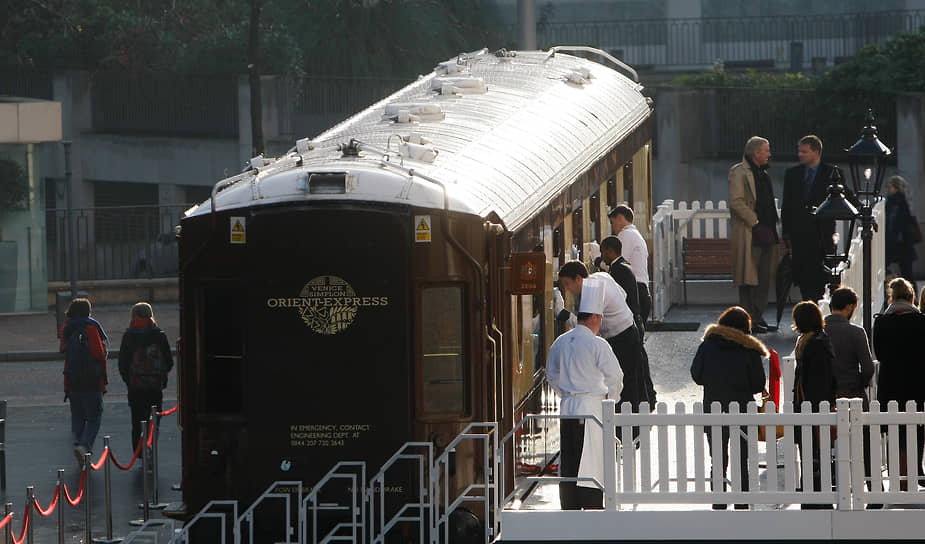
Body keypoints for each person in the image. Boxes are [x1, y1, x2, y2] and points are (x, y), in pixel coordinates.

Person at [546, 282, 623, 510]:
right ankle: (591, 505)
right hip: (591, 408)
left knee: (569, 459)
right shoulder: (597, 344)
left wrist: (567, 395)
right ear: (597, 317)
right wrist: (611, 401)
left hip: (568, 407)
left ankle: (569, 504)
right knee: (591, 460)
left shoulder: (560, 342)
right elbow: (615, 376)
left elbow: (551, 375)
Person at [690, 306, 767, 510]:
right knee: (742, 458)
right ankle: (741, 501)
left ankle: (719, 499)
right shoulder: (749, 348)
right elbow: (759, 384)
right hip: (743, 409)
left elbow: (696, 375)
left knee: (717, 456)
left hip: (714, 407)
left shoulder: (708, 345)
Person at [556, 261, 656, 413]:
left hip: (621, 339)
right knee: (634, 383)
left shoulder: (591, 290)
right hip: (630, 330)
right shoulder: (601, 276)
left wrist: (563, 314)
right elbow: (623, 293)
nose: (568, 289)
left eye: (567, 284)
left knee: (626, 387)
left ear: (578, 278)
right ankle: (635, 426)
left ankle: (625, 427)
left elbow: (587, 327)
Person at [824, 287, 879, 499]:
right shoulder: (856, 332)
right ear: (849, 307)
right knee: (865, 443)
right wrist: (860, 384)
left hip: (827, 398)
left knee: (828, 445)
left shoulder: (819, 331)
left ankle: (832, 489)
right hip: (853, 393)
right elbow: (867, 368)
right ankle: (872, 490)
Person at [873, 278, 925, 489]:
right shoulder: (921, 322)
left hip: (890, 381)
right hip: (916, 381)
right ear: (912, 297)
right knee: (916, 426)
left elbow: (879, 353)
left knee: (894, 427)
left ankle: (898, 474)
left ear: (891, 298)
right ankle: (915, 471)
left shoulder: (882, 322)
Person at [781, 135, 842, 301]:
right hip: (800, 236)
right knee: (803, 278)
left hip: (822, 235)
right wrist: (786, 233)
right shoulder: (792, 174)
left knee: (821, 276)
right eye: (799, 151)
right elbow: (787, 205)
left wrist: (861, 208)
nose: (800, 155)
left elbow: (843, 196)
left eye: (804, 151)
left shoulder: (831, 173)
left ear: (816, 152)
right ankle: (807, 309)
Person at [728, 136, 779, 334]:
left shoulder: (763, 173)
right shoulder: (739, 173)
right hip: (751, 232)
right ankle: (747, 318)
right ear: (756, 153)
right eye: (766, 150)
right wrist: (755, 222)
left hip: (766, 232)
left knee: (764, 276)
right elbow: (737, 202)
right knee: (749, 278)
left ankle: (757, 316)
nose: (769, 154)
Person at [791, 300, 837, 508]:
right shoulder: (812, 340)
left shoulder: (814, 344)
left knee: (814, 454)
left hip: (814, 408)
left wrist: (812, 406)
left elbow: (819, 380)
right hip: (809, 407)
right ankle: (812, 493)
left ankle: (816, 496)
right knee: (812, 454)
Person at [58, 297, 109, 466]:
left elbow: (64, 351)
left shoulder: (67, 328)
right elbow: (98, 354)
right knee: (94, 416)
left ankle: (79, 447)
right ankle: (84, 446)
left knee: (78, 417)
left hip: (72, 380)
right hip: (91, 380)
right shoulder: (91, 327)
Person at [118, 302, 174, 452]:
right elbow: (169, 361)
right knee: (153, 419)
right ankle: (151, 447)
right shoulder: (159, 335)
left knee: (137, 420)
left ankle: (139, 450)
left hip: (136, 386)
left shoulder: (129, 336)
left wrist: (129, 380)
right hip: (155, 386)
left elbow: (122, 363)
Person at [608, 205, 651, 328]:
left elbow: (618, 263)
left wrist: (598, 261)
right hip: (643, 291)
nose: (613, 227)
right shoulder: (636, 235)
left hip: (634, 293)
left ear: (620, 218)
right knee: (637, 341)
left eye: (613, 222)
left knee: (631, 340)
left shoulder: (625, 235)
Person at [599, 235, 642, 336]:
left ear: (609, 251)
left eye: (602, 252)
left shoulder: (618, 270)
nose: (602, 256)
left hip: (627, 324)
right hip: (634, 321)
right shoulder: (625, 265)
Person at [885, 176, 917, 281]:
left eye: (890, 187)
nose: (888, 190)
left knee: (905, 271)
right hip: (903, 242)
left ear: (896, 188)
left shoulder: (895, 202)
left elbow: (895, 222)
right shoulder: (903, 200)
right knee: (907, 272)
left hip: (899, 242)